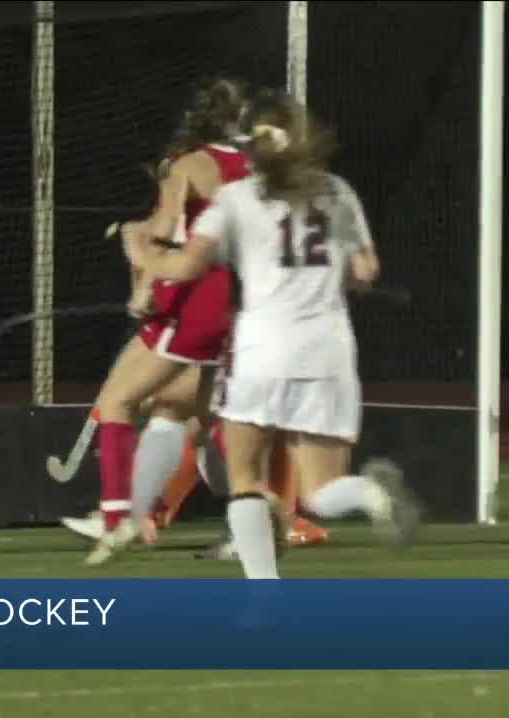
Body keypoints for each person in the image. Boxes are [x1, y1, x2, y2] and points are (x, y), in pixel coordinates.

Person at [123, 89, 419, 579]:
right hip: (329, 351)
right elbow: (365, 271)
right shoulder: (337, 192)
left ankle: (264, 596)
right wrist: (324, 277)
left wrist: (141, 253)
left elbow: (188, 264)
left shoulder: (237, 198)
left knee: (245, 479)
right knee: (321, 490)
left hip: (262, 350)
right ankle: (369, 493)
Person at [79, 77, 250, 566]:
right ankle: (259, 514)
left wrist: (134, 247)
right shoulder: (254, 167)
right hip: (244, 303)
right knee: (200, 417)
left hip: (197, 296)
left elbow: (166, 231)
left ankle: (118, 520)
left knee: (116, 401)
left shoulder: (186, 165)